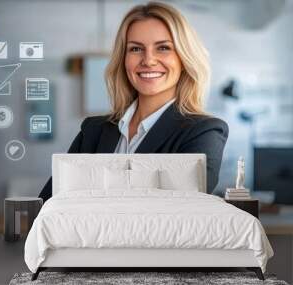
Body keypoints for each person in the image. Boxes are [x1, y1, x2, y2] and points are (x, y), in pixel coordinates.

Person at [39, 1, 228, 202]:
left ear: (184, 59)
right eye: (136, 49)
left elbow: (179, 212)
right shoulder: (93, 131)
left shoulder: (204, 132)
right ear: (124, 60)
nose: (148, 60)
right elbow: (48, 204)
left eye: (163, 48)